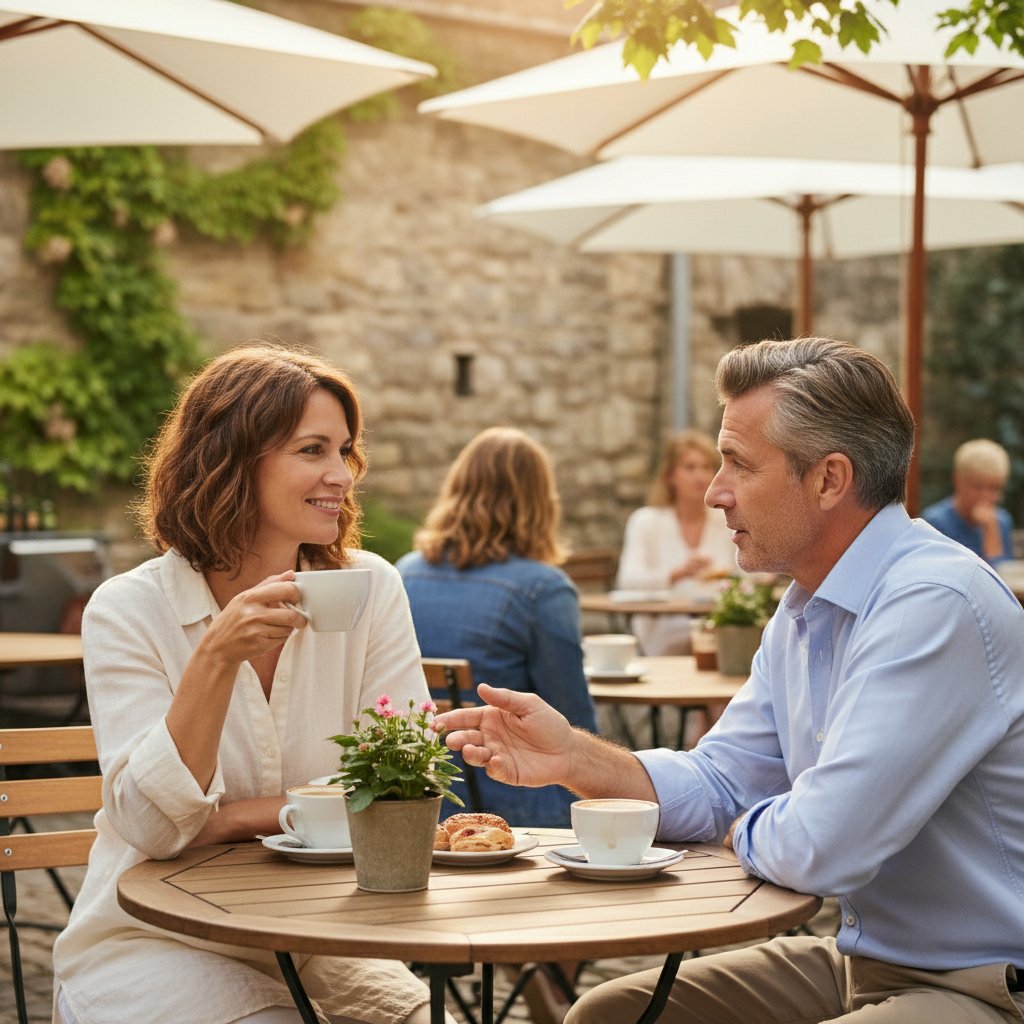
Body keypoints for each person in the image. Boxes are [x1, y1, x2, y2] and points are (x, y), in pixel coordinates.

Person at [437, 337, 1024, 1024]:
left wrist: (745, 827)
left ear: (830, 480)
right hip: (863, 959)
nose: (715, 492)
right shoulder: (807, 608)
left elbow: (820, 847)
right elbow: (723, 781)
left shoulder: (935, 603)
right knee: (608, 1015)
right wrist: (575, 756)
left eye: (738, 464)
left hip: (982, 983)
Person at [53, 343, 450, 1024]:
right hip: (152, 937)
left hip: (320, 936)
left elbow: (404, 788)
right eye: (312, 450)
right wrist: (214, 659)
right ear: (232, 463)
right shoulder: (130, 609)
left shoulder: (370, 589)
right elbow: (148, 828)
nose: (342, 476)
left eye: (344, 452)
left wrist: (225, 820)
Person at [397, 426, 597, 828]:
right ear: (540, 501)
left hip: (422, 792)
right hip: (514, 793)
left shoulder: (404, 573)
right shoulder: (543, 588)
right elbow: (573, 721)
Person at [616, 429, 736, 656]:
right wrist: (676, 574)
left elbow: (753, 577)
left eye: (706, 467)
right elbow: (628, 581)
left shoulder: (728, 519)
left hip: (720, 628)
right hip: (664, 631)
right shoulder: (646, 521)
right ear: (670, 476)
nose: (700, 476)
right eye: (690, 468)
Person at [922, 437, 1015, 564]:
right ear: (957, 480)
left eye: (994, 488)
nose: (985, 496)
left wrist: (991, 530)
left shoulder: (1001, 521)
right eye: (977, 486)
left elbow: (1004, 578)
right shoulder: (935, 522)